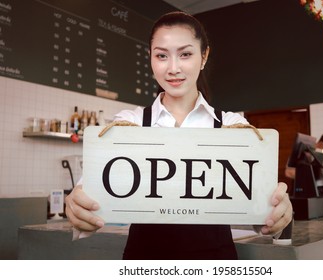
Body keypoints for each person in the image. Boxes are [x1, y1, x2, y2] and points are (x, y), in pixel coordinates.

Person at [65, 11, 292, 260]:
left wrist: (277, 212)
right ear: (150, 59)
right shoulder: (130, 124)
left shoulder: (233, 126)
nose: (173, 68)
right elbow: (90, 191)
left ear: (204, 57)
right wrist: (78, 207)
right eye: (162, 55)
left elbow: (259, 210)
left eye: (185, 54)